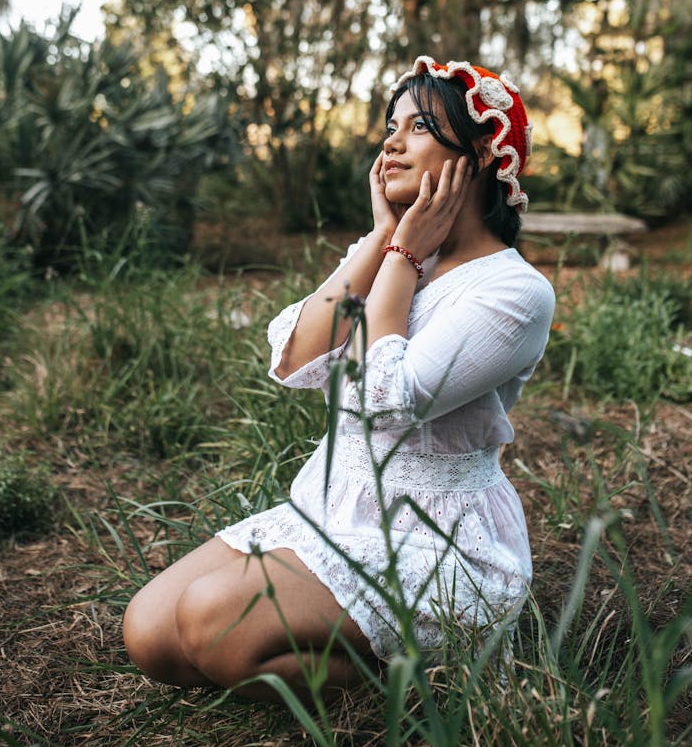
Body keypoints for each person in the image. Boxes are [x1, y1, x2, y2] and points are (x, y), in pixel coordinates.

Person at [122, 56, 555, 702]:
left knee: (215, 623)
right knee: (150, 633)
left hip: (436, 538)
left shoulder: (513, 291)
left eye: (419, 127)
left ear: (485, 153)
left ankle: (444, 675)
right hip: (336, 508)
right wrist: (385, 238)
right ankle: (350, 641)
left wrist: (402, 258)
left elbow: (389, 400)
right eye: (391, 124)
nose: (390, 141)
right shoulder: (390, 251)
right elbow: (296, 357)